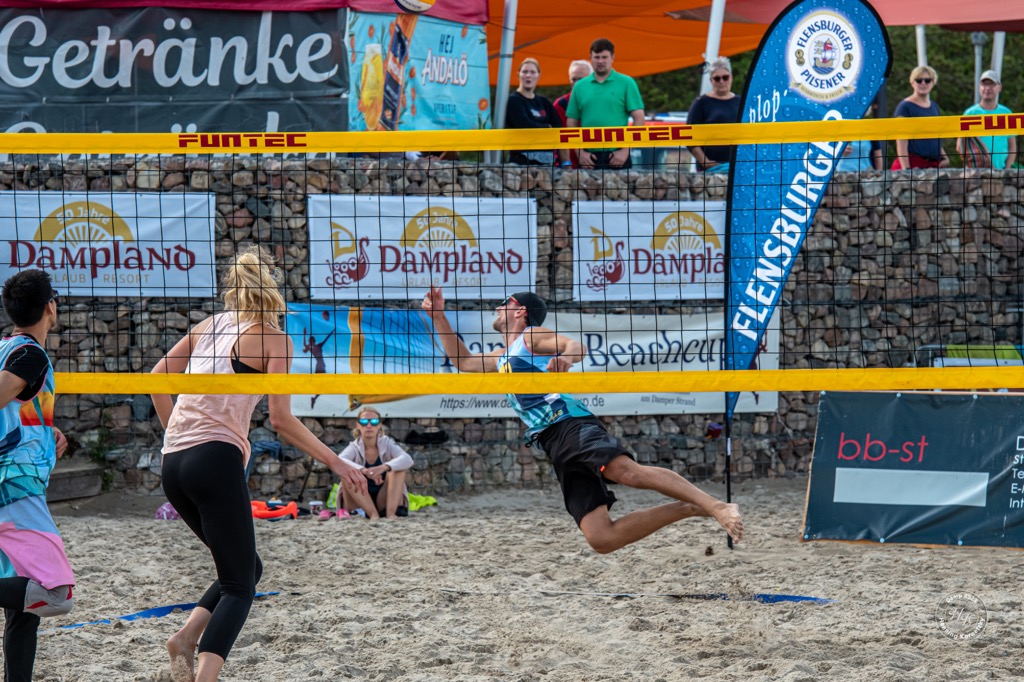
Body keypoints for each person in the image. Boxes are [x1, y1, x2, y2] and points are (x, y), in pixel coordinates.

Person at [150, 245, 367, 682]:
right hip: (214, 459)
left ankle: (185, 638)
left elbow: (156, 378)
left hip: (173, 463)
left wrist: (178, 432)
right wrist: (337, 462)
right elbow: (281, 420)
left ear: (233, 288)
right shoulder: (275, 339)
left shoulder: (209, 325)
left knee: (248, 568)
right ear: (273, 287)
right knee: (239, 586)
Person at [420, 288, 743, 553]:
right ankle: (691, 507)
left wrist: (566, 359)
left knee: (625, 471)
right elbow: (463, 361)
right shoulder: (503, 356)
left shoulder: (530, 337)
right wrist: (437, 316)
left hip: (569, 422)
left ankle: (716, 506)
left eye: (504, 303)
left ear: (520, 311)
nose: (497, 306)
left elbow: (575, 346)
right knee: (602, 538)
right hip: (551, 439)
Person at [0, 270, 74, 682]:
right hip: (14, 486)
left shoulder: (8, 349)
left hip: (15, 481)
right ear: (50, 307)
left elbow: (13, 409)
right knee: (54, 593)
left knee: (23, 608)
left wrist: (47, 431)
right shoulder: (30, 356)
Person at [565, 38, 645, 170]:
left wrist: (625, 150)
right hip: (588, 158)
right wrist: (580, 153)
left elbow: (639, 118)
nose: (600, 61)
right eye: (597, 57)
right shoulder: (579, 86)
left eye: (604, 57)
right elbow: (571, 122)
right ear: (591, 58)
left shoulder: (626, 83)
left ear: (612, 58)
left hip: (617, 157)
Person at [337, 407, 415, 520]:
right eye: (364, 422)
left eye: (374, 421)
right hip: (360, 501)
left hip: (384, 499)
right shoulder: (354, 447)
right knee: (346, 473)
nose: (369, 425)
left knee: (397, 470)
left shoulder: (387, 443)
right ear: (358, 426)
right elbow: (340, 460)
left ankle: (391, 514)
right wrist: (364, 470)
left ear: (379, 425)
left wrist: (384, 467)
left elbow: (407, 459)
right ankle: (373, 515)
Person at [505, 58, 567, 167]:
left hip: (547, 163)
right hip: (522, 163)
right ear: (518, 74)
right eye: (525, 72)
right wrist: (547, 128)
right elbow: (524, 125)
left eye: (532, 72)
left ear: (538, 75)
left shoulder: (544, 102)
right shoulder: (513, 100)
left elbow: (558, 127)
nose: (528, 75)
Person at [686, 57, 741, 172]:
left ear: (731, 77)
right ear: (711, 80)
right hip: (710, 170)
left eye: (725, 77)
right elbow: (689, 137)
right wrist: (705, 162)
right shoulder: (701, 103)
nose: (721, 81)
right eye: (717, 78)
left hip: (737, 167)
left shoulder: (740, 102)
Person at [957, 70, 1017, 170]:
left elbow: (1012, 146)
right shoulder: (970, 114)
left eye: (992, 84)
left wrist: (1007, 170)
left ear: (999, 87)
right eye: (984, 84)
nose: (988, 88)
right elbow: (960, 146)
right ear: (979, 87)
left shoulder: (1007, 113)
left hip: (1001, 170)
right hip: (976, 172)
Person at [892, 65, 950, 170]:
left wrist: (945, 157)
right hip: (913, 164)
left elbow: (935, 137)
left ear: (933, 82)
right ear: (912, 82)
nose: (923, 83)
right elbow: (901, 140)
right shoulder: (904, 107)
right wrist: (906, 169)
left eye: (927, 80)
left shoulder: (934, 106)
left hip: (933, 165)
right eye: (919, 80)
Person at [553, 60, 593, 169]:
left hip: (599, 165)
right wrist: (567, 166)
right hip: (570, 167)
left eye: (581, 79)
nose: (576, 83)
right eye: (573, 79)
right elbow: (560, 139)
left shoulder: (601, 103)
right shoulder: (561, 105)